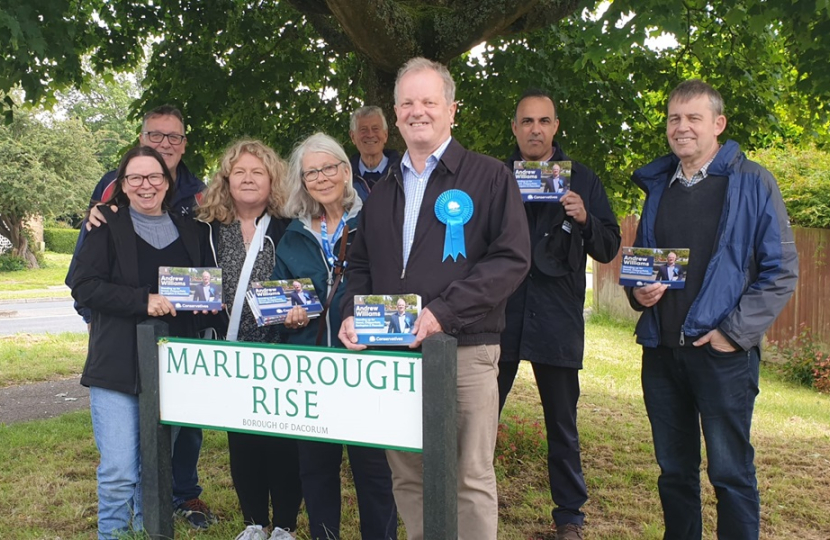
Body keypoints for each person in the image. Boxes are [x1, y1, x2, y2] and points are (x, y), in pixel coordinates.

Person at [338, 57, 531, 540]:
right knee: (408, 474)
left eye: (429, 101)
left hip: (465, 351)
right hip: (393, 356)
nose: (417, 111)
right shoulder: (381, 192)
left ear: (451, 110)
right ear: (396, 115)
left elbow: (510, 258)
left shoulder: (489, 178)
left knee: (469, 475)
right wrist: (350, 314)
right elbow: (359, 266)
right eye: (407, 103)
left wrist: (442, 313)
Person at [628, 79, 798, 539]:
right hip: (661, 352)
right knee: (674, 472)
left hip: (723, 356)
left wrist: (732, 333)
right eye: (674, 118)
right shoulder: (657, 185)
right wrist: (639, 293)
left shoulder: (753, 182)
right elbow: (645, 266)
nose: (681, 127)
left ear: (718, 125)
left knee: (730, 474)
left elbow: (781, 270)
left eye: (693, 118)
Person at [65, 105, 213, 529]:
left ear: (167, 183)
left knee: (156, 469)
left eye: (154, 178)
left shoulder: (193, 231)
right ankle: (114, 534)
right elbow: (84, 286)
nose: (145, 185)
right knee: (118, 472)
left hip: (175, 366)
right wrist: (143, 300)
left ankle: (151, 531)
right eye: (135, 178)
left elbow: (206, 290)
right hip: (116, 363)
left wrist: (207, 303)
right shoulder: (106, 224)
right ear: (123, 185)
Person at [499, 88, 621, 540]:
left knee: (562, 426)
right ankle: (466, 497)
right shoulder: (494, 177)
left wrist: (586, 217)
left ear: (555, 126)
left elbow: (609, 247)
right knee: (477, 416)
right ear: (514, 128)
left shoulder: (582, 179)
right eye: (526, 121)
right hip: (502, 315)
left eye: (543, 121)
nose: (535, 129)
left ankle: (569, 517)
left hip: (557, 318)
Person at [273, 132, 398, 540]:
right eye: (312, 171)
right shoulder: (292, 234)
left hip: (365, 365)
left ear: (346, 171)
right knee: (316, 467)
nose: (321, 177)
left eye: (329, 167)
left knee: (374, 470)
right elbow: (282, 292)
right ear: (302, 180)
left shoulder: (376, 220)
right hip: (311, 368)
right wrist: (286, 315)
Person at [196, 140, 302, 540]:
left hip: (281, 348)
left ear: (272, 178)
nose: (248, 178)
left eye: (257, 171)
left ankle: (286, 525)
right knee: (242, 437)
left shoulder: (290, 224)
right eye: (239, 171)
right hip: (231, 350)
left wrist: (299, 313)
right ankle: (254, 522)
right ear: (226, 178)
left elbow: (306, 280)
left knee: (284, 440)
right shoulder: (207, 227)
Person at [348, 106, 400, 199]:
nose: (370, 134)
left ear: (385, 135)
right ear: (352, 137)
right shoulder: (345, 177)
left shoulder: (401, 172)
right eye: (363, 129)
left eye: (375, 128)